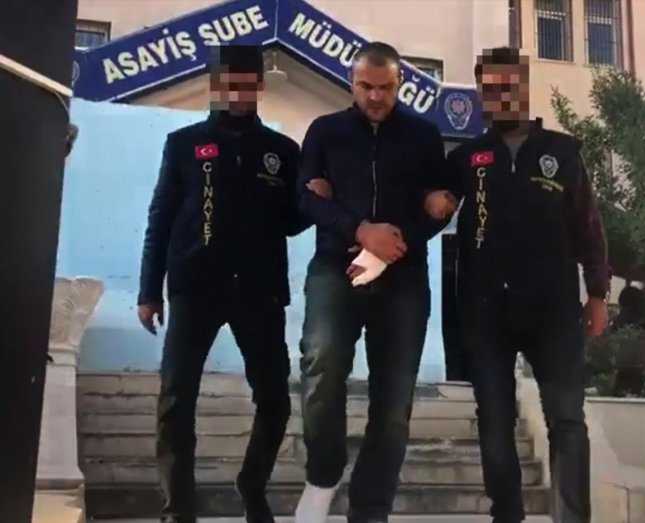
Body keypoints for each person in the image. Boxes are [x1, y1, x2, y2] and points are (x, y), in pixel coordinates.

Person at [427, 46, 610, 523]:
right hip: (485, 310)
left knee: (567, 420)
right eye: (491, 89)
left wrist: (596, 293)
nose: (501, 96)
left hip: (553, 310)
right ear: (482, 94)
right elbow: (434, 205)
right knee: (494, 422)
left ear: (524, 87)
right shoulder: (466, 158)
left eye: (509, 86)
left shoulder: (562, 152)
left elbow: (587, 226)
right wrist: (433, 202)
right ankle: (506, 515)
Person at [136, 45, 309, 523]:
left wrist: (314, 200)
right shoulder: (183, 144)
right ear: (216, 86)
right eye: (228, 83)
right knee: (176, 401)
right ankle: (178, 510)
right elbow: (161, 218)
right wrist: (149, 291)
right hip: (195, 287)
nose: (237, 92)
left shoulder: (281, 151)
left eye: (246, 84)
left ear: (259, 87)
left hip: (260, 290)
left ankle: (252, 485)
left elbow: (292, 221)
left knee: (275, 400)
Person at [293, 42, 454, 523]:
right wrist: (360, 230)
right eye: (366, 86)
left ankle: (370, 508)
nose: (376, 96)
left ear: (399, 83)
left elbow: (440, 207)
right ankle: (323, 476)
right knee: (321, 363)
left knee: (394, 399)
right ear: (352, 82)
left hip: (404, 277)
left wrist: (391, 246)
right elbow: (305, 198)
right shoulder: (325, 131)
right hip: (335, 267)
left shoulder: (424, 135)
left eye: (385, 87)